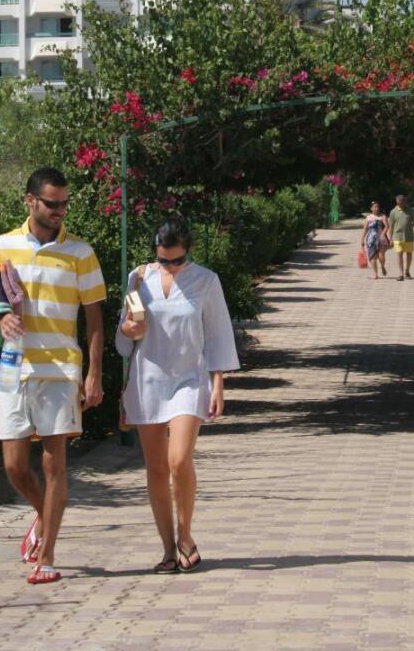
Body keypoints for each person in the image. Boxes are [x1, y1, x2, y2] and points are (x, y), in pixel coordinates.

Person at [0, 167, 106, 585]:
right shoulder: (2, 246)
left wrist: (94, 373)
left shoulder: (81, 252)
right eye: (51, 203)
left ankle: (47, 557)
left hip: (61, 369)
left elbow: (95, 316)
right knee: (13, 467)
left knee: (54, 463)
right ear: (30, 200)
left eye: (64, 203)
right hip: (13, 369)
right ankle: (44, 517)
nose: (60, 210)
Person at [116, 216, 239, 574]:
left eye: (176, 260)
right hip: (147, 379)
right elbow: (123, 342)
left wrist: (218, 383)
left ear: (188, 251)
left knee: (178, 460)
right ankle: (169, 549)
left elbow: (217, 335)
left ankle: (186, 535)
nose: (168, 266)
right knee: (155, 469)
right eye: (163, 259)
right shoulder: (139, 278)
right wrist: (128, 327)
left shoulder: (206, 281)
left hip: (189, 378)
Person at [388, 194, 414, 281]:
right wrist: (390, 238)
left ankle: (407, 270)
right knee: (399, 254)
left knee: (409, 254)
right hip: (397, 237)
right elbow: (391, 226)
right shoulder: (393, 212)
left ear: (405, 202)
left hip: (409, 236)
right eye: (399, 203)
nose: (401, 204)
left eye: (402, 202)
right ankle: (401, 274)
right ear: (397, 202)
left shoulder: (411, 211)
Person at [360, 201, 390, 279]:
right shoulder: (368, 217)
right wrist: (362, 239)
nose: (377, 208)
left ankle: (382, 266)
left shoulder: (383, 216)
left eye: (378, 207)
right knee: (372, 256)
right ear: (371, 208)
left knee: (381, 256)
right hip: (370, 239)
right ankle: (375, 274)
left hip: (381, 239)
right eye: (375, 207)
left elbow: (387, 226)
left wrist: (383, 234)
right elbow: (365, 229)